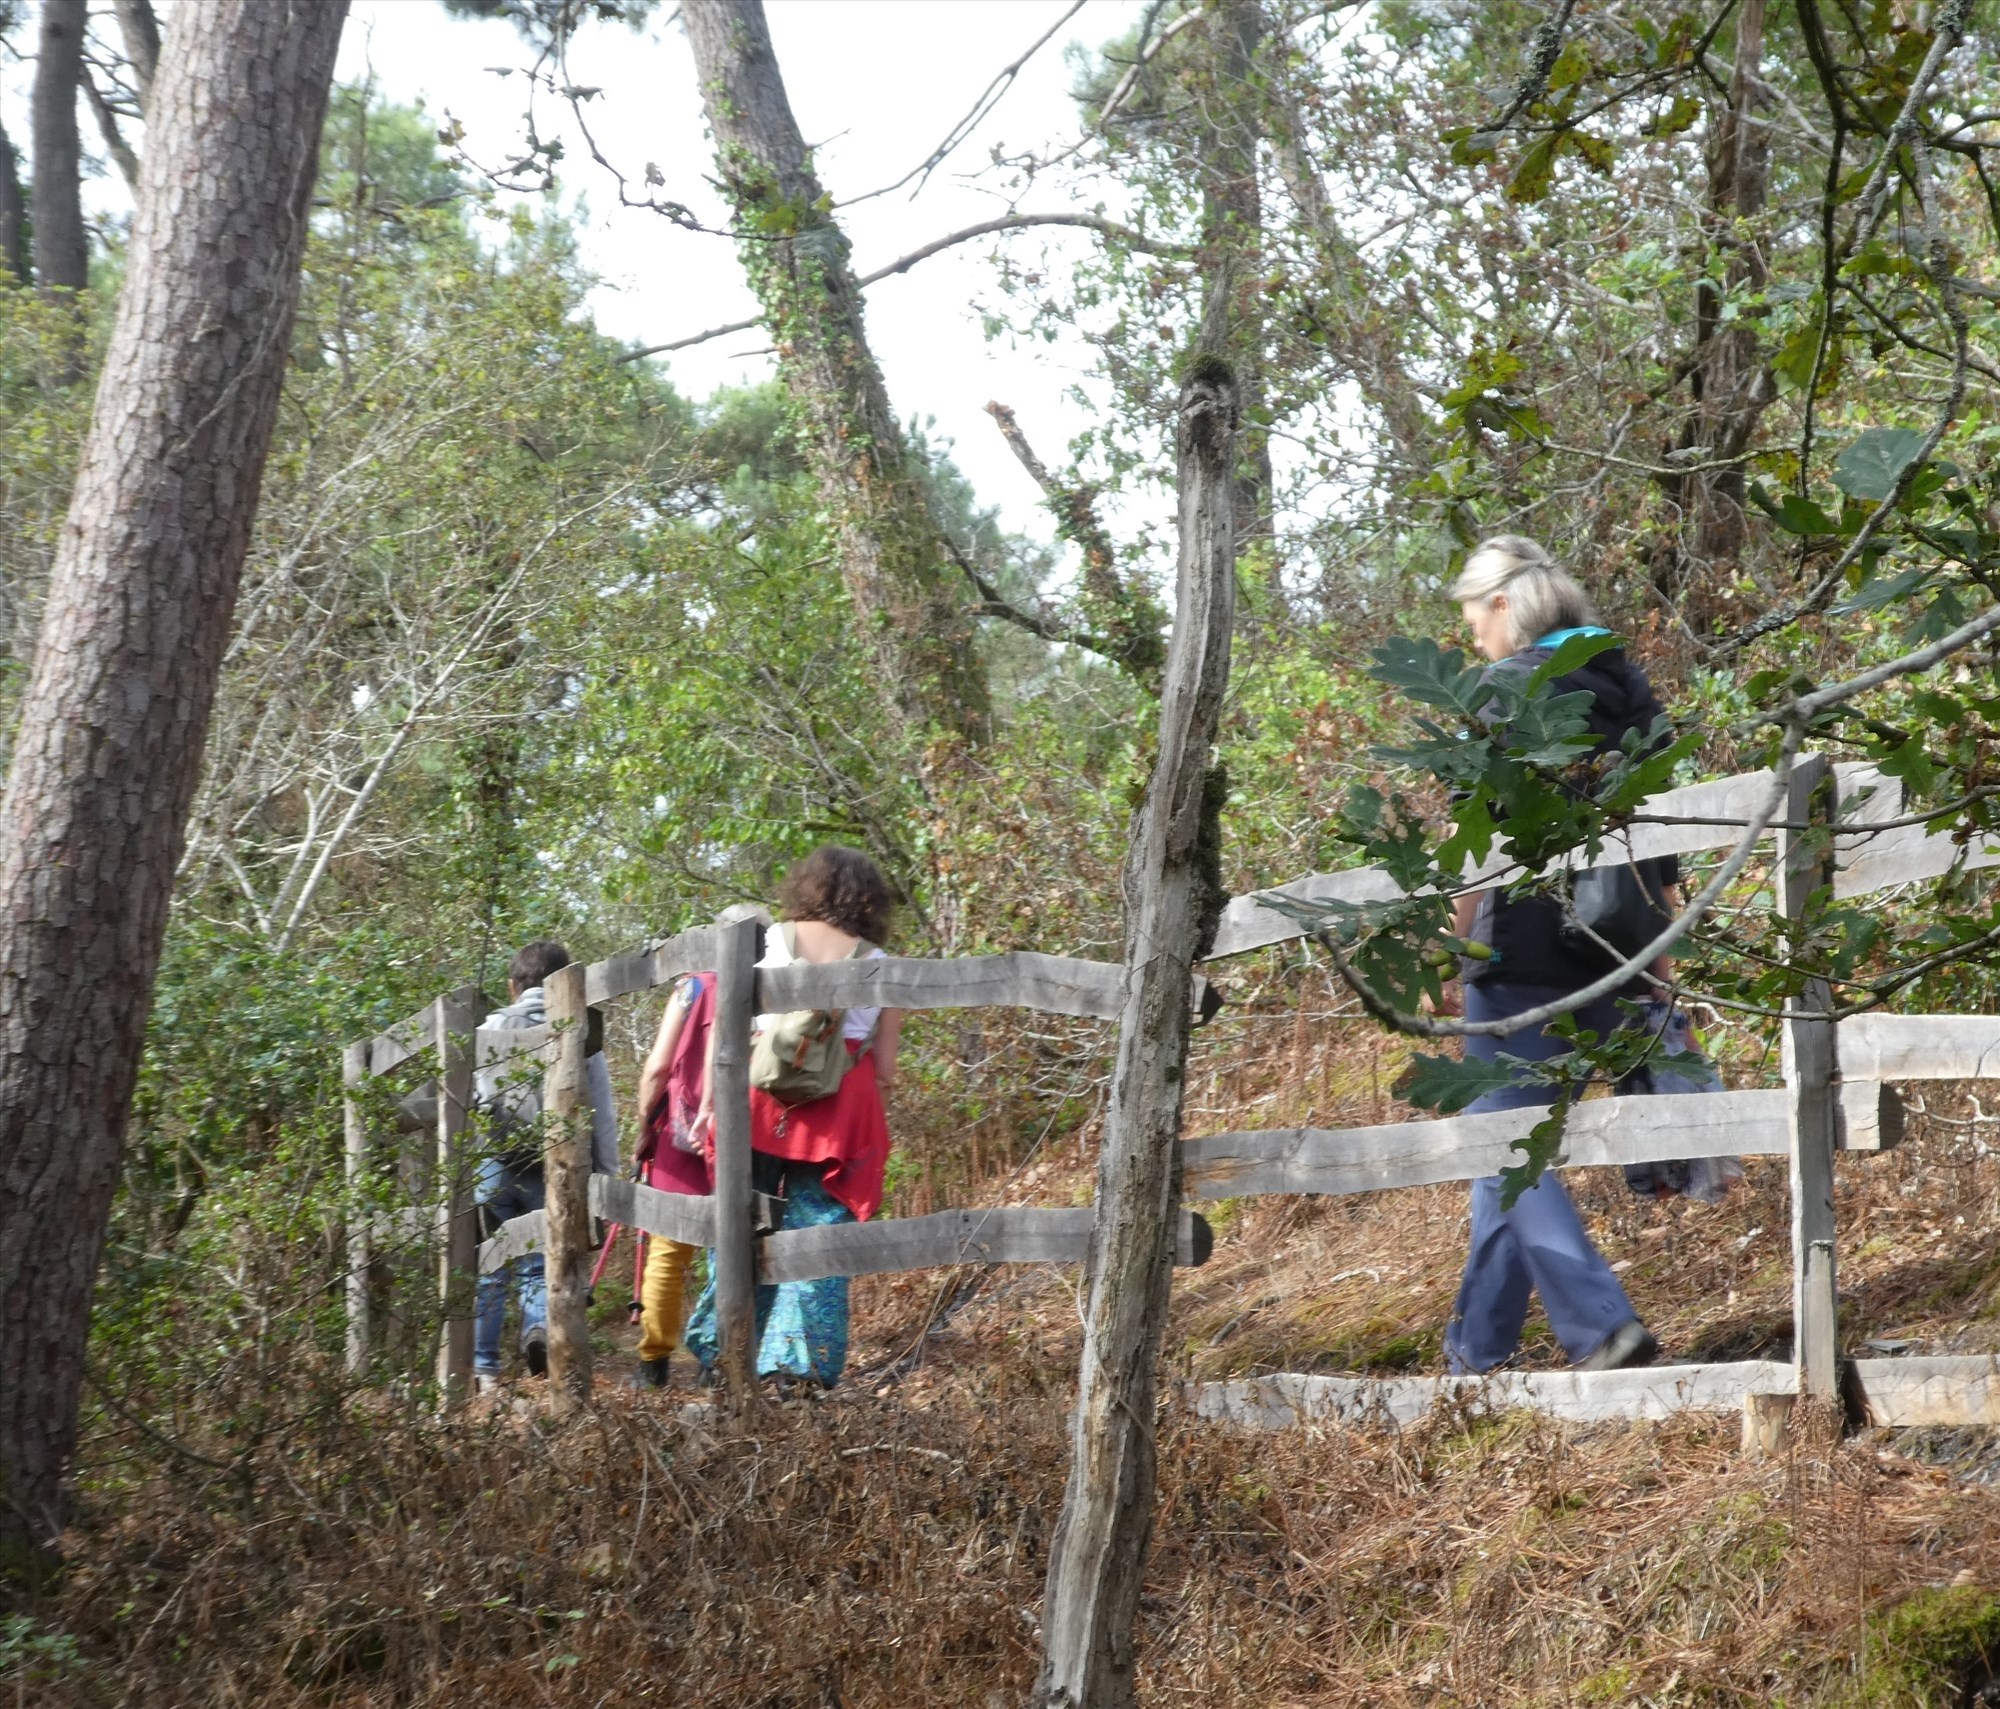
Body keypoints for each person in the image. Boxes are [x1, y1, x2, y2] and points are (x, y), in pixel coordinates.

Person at [1441, 535, 1672, 1376]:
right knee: (1504, 1148)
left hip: (1522, 947)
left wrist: (1457, 946)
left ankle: (1601, 1324)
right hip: (1615, 944)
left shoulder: (1504, 688)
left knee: (1505, 1139)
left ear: (1505, 605)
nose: (1471, 637)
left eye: (1473, 615)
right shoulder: (1627, 685)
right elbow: (1664, 830)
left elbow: (1479, 836)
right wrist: (1660, 960)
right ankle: (1474, 1354)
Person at [683, 847, 902, 1389]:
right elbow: (886, 1069)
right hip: (837, 1107)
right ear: (869, 901)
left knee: (737, 1223)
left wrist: (710, 1104)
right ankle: (794, 1370)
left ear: (805, 886)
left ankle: (723, 1353)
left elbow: (727, 1032)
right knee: (819, 1230)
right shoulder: (881, 964)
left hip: (757, 1100)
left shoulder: (763, 943)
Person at [627, 903, 771, 1389]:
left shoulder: (692, 987)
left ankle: (653, 1363)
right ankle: (722, 1358)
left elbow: (657, 1068)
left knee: (669, 1248)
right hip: (749, 1132)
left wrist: (645, 1124)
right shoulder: (772, 988)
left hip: (682, 1132)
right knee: (736, 1244)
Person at [473, 938, 620, 1392]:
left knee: (490, 1269)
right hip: (554, 1169)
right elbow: (602, 1112)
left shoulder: (489, 1028)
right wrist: (607, 1178)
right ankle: (539, 1333)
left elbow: (473, 1100)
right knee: (542, 1263)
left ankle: (484, 1370)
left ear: (513, 985)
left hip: (495, 1165)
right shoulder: (580, 1031)